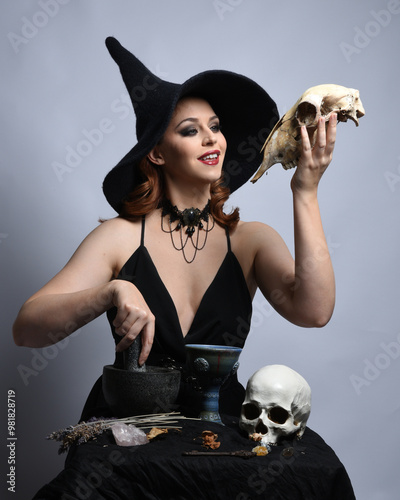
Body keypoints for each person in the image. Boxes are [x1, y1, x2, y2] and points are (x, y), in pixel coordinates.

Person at [13, 38, 354, 499]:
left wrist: (306, 192)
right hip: (131, 428)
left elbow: (314, 311)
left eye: (215, 127)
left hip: (226, 424)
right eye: (191, 130)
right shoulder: (118, 236)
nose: (213, 138)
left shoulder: (251, 240)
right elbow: (27, 330)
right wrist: (109, 291)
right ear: (156, 152)